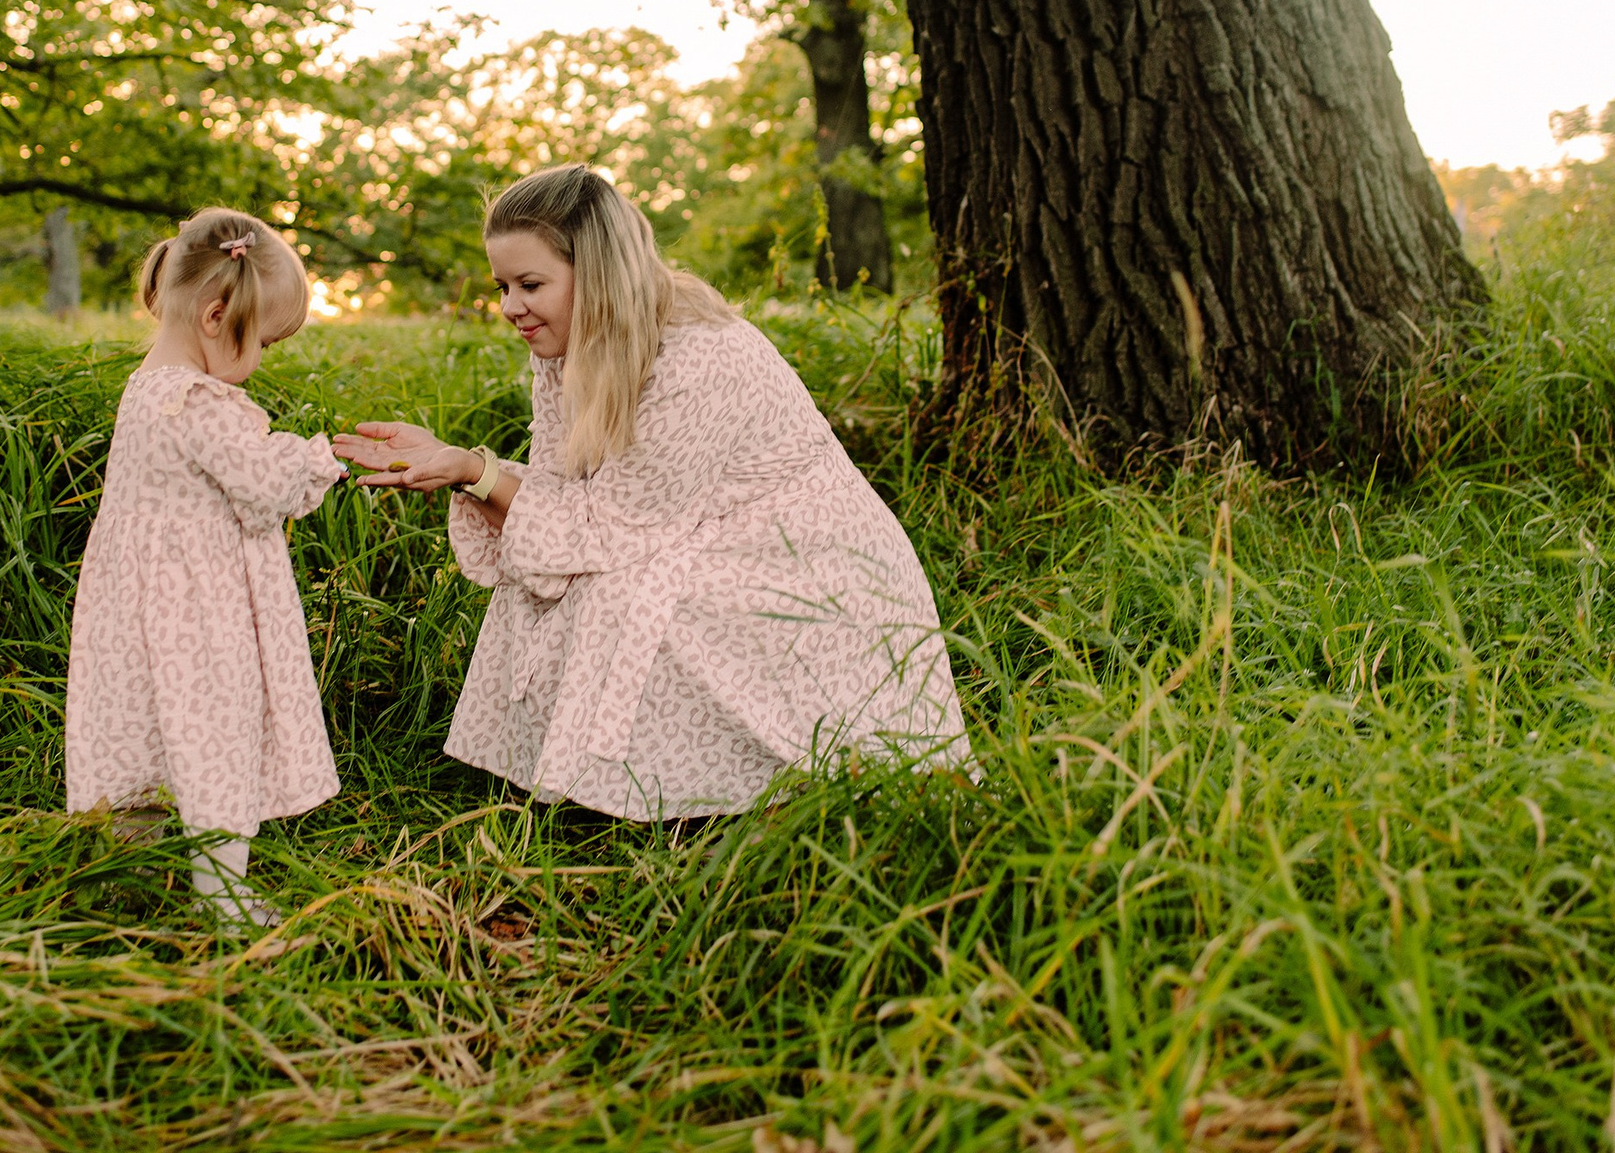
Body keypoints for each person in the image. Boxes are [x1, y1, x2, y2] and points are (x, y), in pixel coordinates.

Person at [334, 166, 967, 822]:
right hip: (687, 526)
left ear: (599, 271)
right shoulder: (564, 349)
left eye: (530, 284)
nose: (509, 307)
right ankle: (572, 783)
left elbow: (606, 529)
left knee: (622, 588)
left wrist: (475, 470)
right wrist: (465, 465)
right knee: (548, 566)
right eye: (502, 286)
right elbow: (563, 490)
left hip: (808, 565)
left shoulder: (696, 358)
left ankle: (693, 799)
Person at [65, 207, 347, 927]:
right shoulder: (203, 402)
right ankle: (222, 892)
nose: (261, 363)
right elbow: (265, 488)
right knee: (216, 730)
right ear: (219, 314)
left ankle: (123, 874)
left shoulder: (145, 388)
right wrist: (325, 456)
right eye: (264, 342)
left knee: (143, 725)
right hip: (200, 608)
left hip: (135, 606)